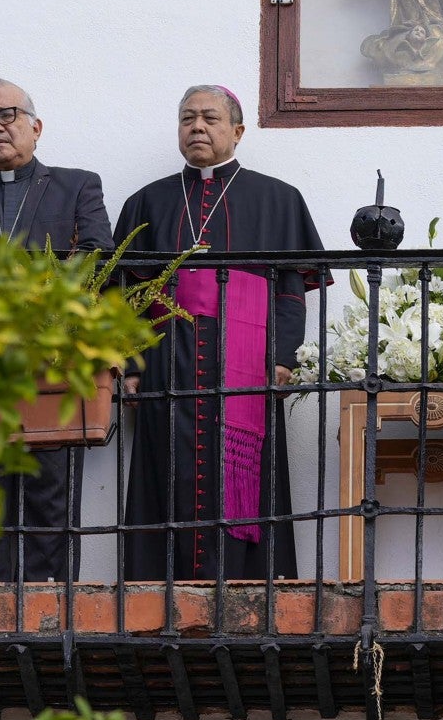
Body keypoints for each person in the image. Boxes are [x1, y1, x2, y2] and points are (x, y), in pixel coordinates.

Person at [116, 85, 325, 581]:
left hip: (247, 361)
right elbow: (124, 297)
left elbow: (290, 290)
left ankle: (249, 581)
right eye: (187, 118)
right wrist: (131, 363)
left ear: (238, 130)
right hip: (168, 359)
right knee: (167, 469)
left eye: (210, 118)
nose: (197, 127)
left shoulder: (278, 199)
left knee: (246, 476)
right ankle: (159, 587)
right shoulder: (147, 202)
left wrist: (283, 356)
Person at [0, 75, 114, 582]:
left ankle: (50, 607)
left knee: (50, 496)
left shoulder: (77, 185)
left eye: (7, 114)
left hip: (51, 365)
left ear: (36, 126)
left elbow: (96, 256)